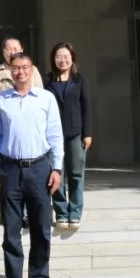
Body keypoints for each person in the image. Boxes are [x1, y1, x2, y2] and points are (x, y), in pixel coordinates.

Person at [0, 53, 64, 278]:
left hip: (40, 169)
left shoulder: (46, 98)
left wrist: (57, 168)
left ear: (32, 70)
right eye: (15, 68)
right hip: (10, 170)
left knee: (41, 229)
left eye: (24, 67)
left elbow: (55, 135)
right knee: (11, 230)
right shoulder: (0, 100)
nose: (20, 72)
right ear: (10, 71)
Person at [46, 42, 93, 230]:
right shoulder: (48, 81)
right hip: (53, 135)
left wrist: (87, 133)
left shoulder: (80, 80)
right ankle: (61, 213)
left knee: (75, 174)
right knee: (56, 173)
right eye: (58, 56)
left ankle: (75, 213)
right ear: (53, 59)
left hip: (75, 133)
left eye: (66, 56)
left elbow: (87, 108)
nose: (62, 60)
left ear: (72, 58)